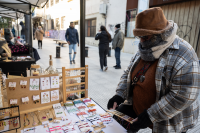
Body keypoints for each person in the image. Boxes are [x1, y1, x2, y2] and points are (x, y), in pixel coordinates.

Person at [107, 7, 200, 133]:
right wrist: (119, 95)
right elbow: (128, 73)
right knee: (117, 121)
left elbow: (183, 96)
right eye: (139, 37)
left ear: (160, 34)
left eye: (145, 37)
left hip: (169, 119)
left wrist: (150, 115)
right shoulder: (146, 47)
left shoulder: (185, 54)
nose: (141, 41)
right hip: (137, 109)